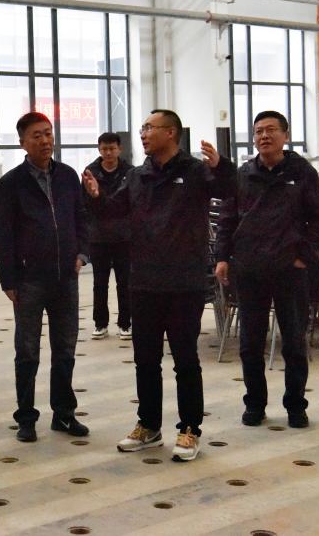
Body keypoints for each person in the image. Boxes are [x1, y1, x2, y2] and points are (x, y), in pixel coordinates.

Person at [83, 110, 236, 462]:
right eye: (143, 128)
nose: (143, 134)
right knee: (146, 359)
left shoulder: (196, 171)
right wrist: (95, 196)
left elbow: (231, 192)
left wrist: (221, 166)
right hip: (144, 281)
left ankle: (189, 429)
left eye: (149, 128)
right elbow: (113, 211)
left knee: (185, 359)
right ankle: (149, 425)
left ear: (171, 133)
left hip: (183, 282)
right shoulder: (138, 175)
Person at [215, 110, 319, 429]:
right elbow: (227, 219)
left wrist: (303, 256)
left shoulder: (302, 172)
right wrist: (222, 257)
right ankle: (255, 404)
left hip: (289, 270)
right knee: (250, 343)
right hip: (249, 268)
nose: (264, 136)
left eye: (270, 130)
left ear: (285, 135)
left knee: (293, 342)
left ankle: (296, 406)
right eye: (258, 131)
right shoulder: (243, 174)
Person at [0, 112, 90, 443]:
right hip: (28, 280)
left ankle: (64, 414)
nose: (45, 140)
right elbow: (3, 233)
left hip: (66, 278)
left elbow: (81, 218)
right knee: (27, 352)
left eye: (48, 133)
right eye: (36, 135)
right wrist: (8, 279)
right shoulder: (10, 183)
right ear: (22, 142)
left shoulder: (68, 176)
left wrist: (82, 253)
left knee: (65, 350)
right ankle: (26, 417)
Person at [82, 132, 133, 340]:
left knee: (125, 282)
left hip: (124, 237)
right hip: (98, 237)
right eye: (104, 149)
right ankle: (100, 323)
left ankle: (125, 323)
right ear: (99, 150)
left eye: (112, 148)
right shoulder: (90, 172)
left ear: (119, 149)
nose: (108, 153)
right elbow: (84, 203)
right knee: (100, 283)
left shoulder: (130, 172)